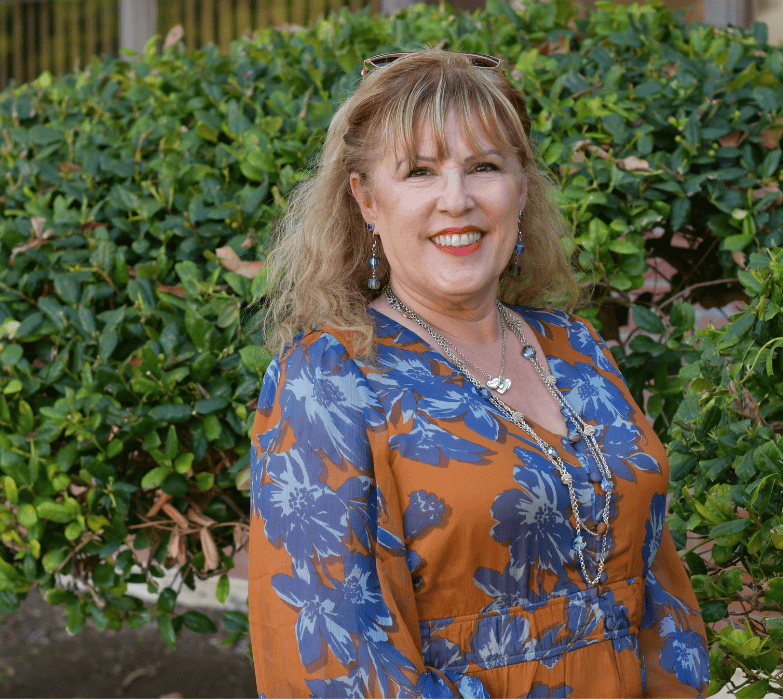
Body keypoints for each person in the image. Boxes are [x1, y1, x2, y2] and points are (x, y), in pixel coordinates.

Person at [248, 49, 708, 698]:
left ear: (520, 189)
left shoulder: (576, 351)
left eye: (484, 167)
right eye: (420, 172)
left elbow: (658, 591)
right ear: (366, 200)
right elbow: (336, 667)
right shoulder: (328, 383)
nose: (456, 200)